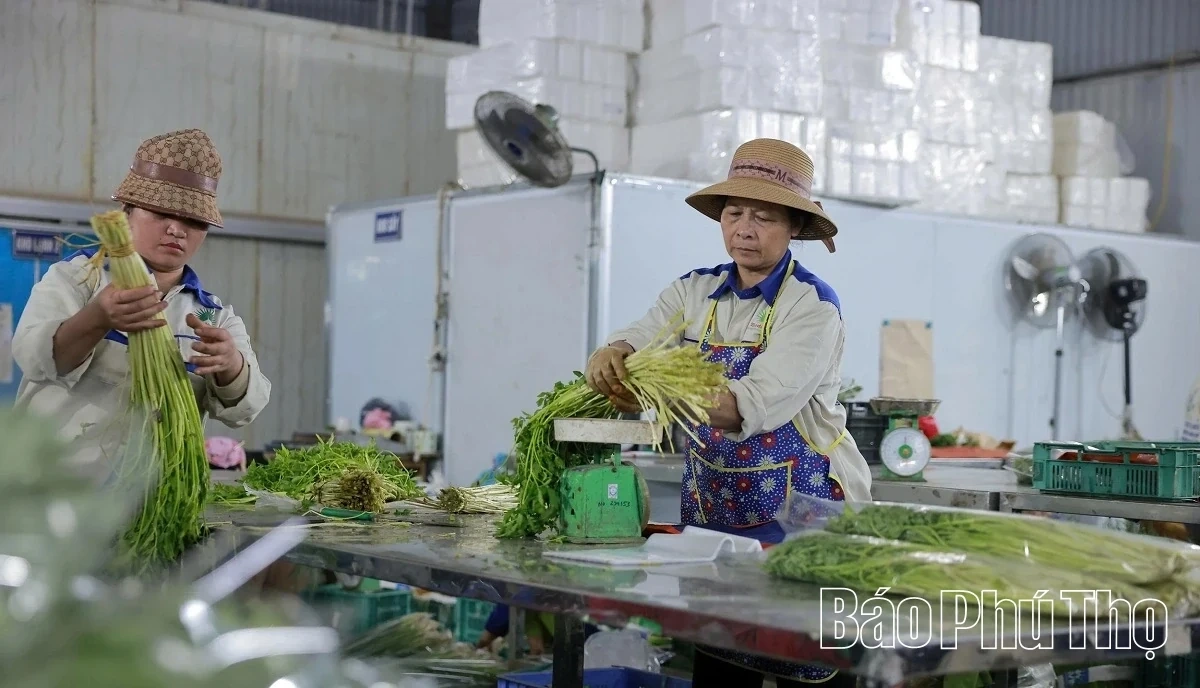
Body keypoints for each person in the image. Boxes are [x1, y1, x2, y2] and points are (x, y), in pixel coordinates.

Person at [584, 138, 870, 687]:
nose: (745, 227)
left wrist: (659, 396)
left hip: (800, 513)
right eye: (734, 213)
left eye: (763, 216)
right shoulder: (696, 291)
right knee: (720, 658)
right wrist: (613, 352)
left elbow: (752, 404)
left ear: (792, 229)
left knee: (802, 659)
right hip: (716, 508)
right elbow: (643, 334)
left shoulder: (811, 306)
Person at [12, 128, 271, 476]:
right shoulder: (76, 279)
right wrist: (98, 318)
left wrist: (231, 365)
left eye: (193, 221)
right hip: (58, 490)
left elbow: (245, 409)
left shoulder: (214, 316)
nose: (177, 229)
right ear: (127, 211)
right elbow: (33, 357)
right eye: (161, 213)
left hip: (155, 499)